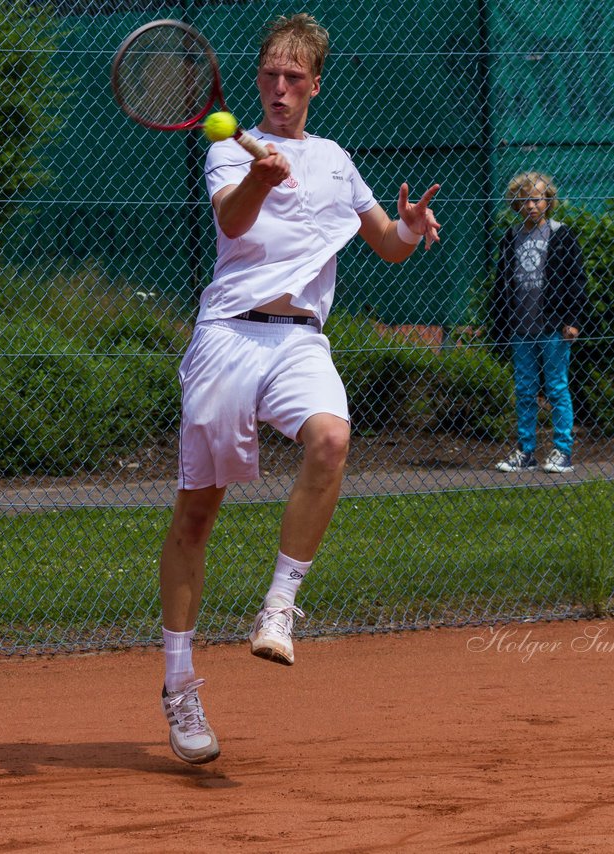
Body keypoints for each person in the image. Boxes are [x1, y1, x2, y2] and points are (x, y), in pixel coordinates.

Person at [158, 13, 440, 765]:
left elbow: (386, 245)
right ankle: (180, 686)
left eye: (293, 78)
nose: (279, 89)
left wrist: (410, 228)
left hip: (299, 339)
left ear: (316, 83)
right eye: (269, 76)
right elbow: (234, 219)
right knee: (196, 514)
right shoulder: (227, 147)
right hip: (227, 336)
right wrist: (257, 171)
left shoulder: (337, 160)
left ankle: (280, 607)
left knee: (333, 439)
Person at [487, 170, 587, 474]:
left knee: (556, 388)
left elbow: (577, 281)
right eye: (525, 200)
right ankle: (525, 451)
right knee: (525, 389)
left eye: (537, 199)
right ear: (517, 204)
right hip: (521, 328)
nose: (531, 205)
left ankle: (562, 450)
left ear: (548, 201)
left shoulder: (562, 234)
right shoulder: (510, 238)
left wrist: (574, 320)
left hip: (553, 327)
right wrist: (500, 323)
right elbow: (502, 282)